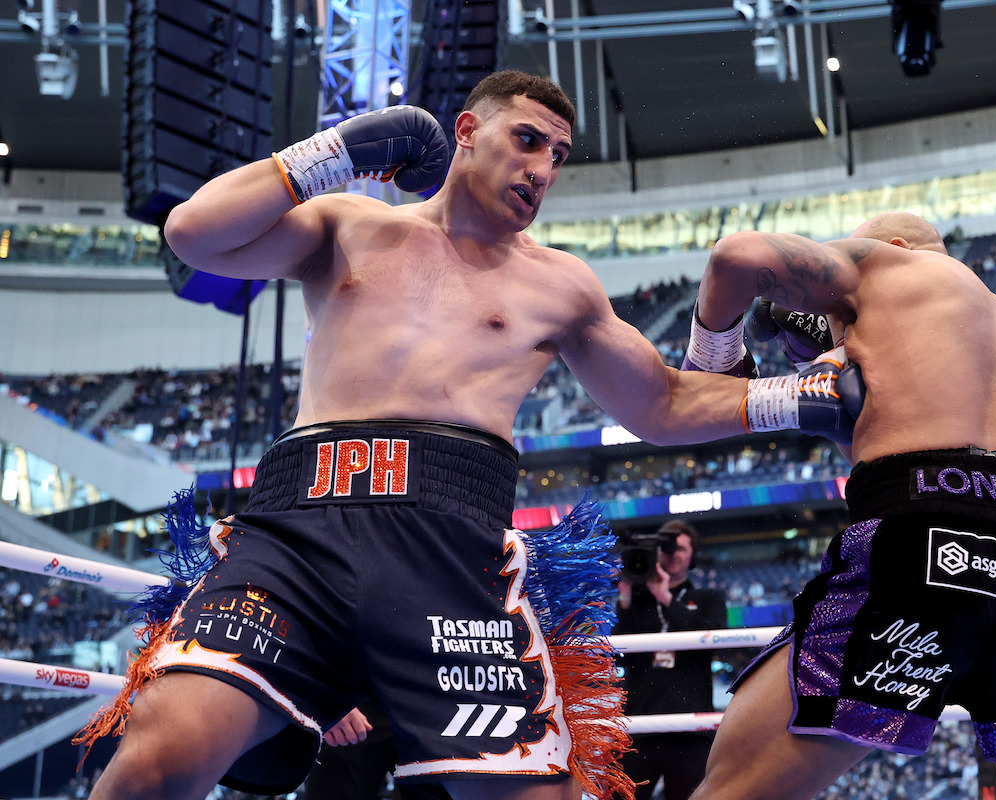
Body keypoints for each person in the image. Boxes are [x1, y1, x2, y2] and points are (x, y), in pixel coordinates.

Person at [74, 71, 853, 800]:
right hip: (297, 539)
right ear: (468, 131)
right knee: (157, 762)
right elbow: (193, 233)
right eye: (528, 140)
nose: (544, 168)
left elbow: (663, 404)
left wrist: (804, 393)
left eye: (560, 156)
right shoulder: (352, 225)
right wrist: (340, 152)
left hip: (449, 556)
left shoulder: (559, 283)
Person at [686, 211, 996, 800]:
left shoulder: (883, 266)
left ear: (889, 245)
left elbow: (737, 255)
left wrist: (717, 356)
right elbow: (925, 454)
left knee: (731, 790)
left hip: (920, 549)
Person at [613, 520, 727, 800]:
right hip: (639, 729)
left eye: (680, 548)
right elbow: (618, 654)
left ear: (693, 555)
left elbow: (713, 643)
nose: (672, 554)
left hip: (690, 731)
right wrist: (625, 598)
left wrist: (666, 598)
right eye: (665, 548)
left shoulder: (708, 597)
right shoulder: (636, 603)